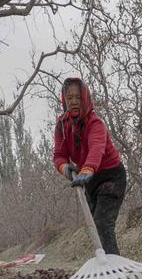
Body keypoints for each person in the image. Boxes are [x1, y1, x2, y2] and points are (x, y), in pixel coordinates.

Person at [53, 77, 127, 255]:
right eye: (69, 98)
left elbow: (96, 149)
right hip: (90, 181)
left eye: (78, 97)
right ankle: (106, 265)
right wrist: (66, 169)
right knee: (94, 226)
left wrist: (87, 169)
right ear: (64, 100)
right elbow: (59, 156)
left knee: (102, 224)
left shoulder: (96, 124)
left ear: (85, 98)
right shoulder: (62, 126)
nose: (74, 102)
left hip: (111, 176)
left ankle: (114, 270)